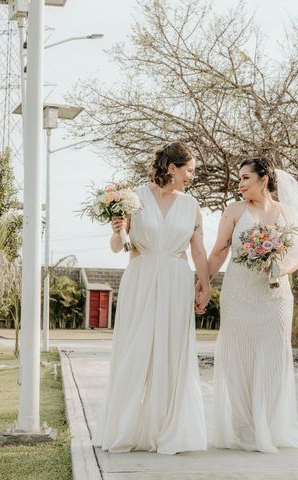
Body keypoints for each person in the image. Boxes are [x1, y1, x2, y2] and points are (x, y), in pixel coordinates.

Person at [93, 141, 211, 454]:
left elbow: (198, 250)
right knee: (135, 350)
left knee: (172, 353)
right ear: (172, 168)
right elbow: (119, 247)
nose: (192, 176)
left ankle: (169, 429)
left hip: (176, 279)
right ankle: (126, 428)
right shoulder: (134, 199)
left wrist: (205, 284)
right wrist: (117, 230)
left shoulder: (191, 206)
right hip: (140, 276)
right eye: (189, 170)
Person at [204, 156, 298, 453]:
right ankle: (244, 428)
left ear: (263, 179)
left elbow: (296, 257)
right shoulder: (234, 211)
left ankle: (269, 425)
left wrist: (280, 268)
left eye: (245, 178)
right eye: (239, 179)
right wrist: (202, 284)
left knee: (273, 358)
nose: (240, 184)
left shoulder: (286, 214)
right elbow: (219, 252)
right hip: (238, 293)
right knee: (238, 358)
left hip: (275, 296)